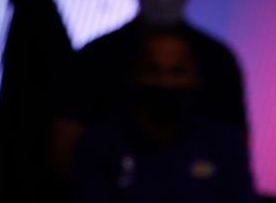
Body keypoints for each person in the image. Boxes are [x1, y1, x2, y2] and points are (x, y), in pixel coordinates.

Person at [50, 0, 247, 183]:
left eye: (177, 71)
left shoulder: (218, 60)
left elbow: (237, 154)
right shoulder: (96, 57)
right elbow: (64, 151)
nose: (165, 84)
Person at [72, 30, 256, 203]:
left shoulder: (224, 145)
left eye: (177, 71)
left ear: (196, 79)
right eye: (153, 70)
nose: (165, 82)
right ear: (134, 76)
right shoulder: (100, 145)